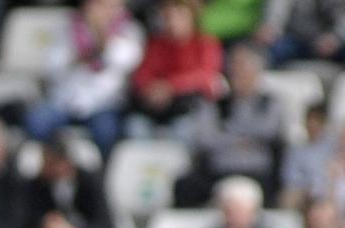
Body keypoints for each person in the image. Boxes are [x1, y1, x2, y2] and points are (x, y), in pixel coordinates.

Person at [24, 0, 143, 158]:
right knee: (36, 121)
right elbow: (51, 66)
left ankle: (100, 176)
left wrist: (100, 32)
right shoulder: (67, 26)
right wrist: (77, 56)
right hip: (65, 102)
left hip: (104, 105)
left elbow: (125, 60)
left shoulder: (128, 29)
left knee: (107, 132)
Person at [175, 43, 285, 208]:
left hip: (258, 173)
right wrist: (245, 139)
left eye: (242, 67)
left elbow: (269, 131)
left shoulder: (270, 103)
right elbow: (205, 139)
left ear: (256, 72)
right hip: (219, 172)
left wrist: (227, 131)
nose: (236, 73)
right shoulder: (214, 104)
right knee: (184, 186)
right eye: (232, 67)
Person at [126, 0, 222, 141]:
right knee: (135, 127)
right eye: (168, 16)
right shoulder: (157, 44)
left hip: (188, 110)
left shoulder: (205, 43)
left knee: (184, 130)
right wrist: (151, 88)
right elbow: (142, 74)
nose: (172, 22)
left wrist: (170, 86)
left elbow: (206, 75)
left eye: (179, 16)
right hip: (157, 111)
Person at [23, 139, 121, 228]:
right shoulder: (37, 184)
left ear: (65, 162)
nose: (46, 168)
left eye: (51, 164)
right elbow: (28, 217)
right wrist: (47, 224)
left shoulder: (90, 181)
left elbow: (104, 221)